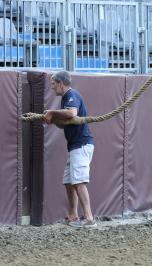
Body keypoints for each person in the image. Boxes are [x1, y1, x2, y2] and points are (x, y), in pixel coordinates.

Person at [43, 71, 96, 228]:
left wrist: (52, 112)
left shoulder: (71, 95)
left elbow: (72, 113)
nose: (52, 88)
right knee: (68, 181)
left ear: (60, 83)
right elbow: (66, 122)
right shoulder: (66, 99)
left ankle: (89, 218)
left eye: (53, 84)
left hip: (81, 145)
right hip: (74, 146)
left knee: (79, 182)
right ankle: (73, 215)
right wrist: (54, 120)